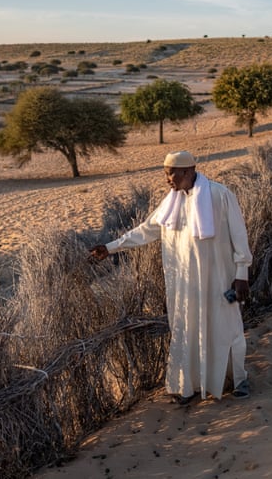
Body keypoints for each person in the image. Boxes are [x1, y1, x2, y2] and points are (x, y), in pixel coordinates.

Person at [90, 150, 252, 404]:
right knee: (187, 330)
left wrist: (242, 273)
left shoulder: (220, 195)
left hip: (219, 278)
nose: (167, 179)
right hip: (184, 285)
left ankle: (238, 379)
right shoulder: (171, 202)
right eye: (166, 173)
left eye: (171, 173)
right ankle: (188, 386)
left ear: (188, 171)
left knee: (226, 327)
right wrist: (110, 247)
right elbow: (147, 230)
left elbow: (239, 235)